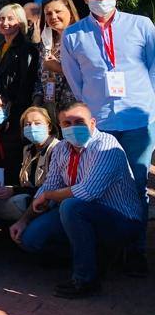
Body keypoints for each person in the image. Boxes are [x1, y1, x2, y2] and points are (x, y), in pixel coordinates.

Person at [60, 0, 154, 274]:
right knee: (100, 187)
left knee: (137, 185)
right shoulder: (74, 34)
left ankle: (136, 250)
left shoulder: (141, 25)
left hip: (138, 119)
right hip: (101, 125)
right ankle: (106, 249)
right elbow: (76, 81)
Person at [11, 103, 146, 298]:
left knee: (71, 206)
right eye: (67, 123)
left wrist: (48, 197)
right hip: (82, 213)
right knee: (30, 239)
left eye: (79, 122)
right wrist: (24, 220)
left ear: (93, 123)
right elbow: (49, 185)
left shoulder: (106, 146)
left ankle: (85, 279)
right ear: (60, 126)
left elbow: (86, 192)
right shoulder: (61, 149)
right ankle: (94, 257)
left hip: (121, 220)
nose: (73, 127)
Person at [0, 106, 59, 226]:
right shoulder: (28, 150)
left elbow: (50, 188)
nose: (32, 127)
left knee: (20, 202)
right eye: (27, 124)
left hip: (47, 202)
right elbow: (25, 182)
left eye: (37, 123)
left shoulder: (57, 149)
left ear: (49, 126)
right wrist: (9, 188)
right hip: (28, 195)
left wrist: (14, 191)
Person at [0, 4, 39, 124]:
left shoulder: (26, 48)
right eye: (1, 18)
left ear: (20, 22)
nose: (5, 22)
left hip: (16, 108)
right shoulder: (1, 46)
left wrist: (15, 107)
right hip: (0, 104)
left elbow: (26, 82)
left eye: (10, 18)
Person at [34, 0, 80, 120]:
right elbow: (40, 75)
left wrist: (60, 68)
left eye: (58, 11)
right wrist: (37, 101)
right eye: (48, 14)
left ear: (70, 12)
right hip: (50, 108)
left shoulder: (81, 38)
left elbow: (88, 73)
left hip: (75, 109)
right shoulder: (46, 41)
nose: (53, 17)